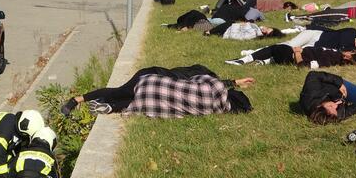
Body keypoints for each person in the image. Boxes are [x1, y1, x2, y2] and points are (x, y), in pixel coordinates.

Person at [60, 65, 254, 116]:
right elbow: (218, 86)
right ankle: (80, 100)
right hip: (151, 77)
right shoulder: (207, 87)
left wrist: (235, 81)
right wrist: (234, 82)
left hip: (153, 77)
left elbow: (216, 84)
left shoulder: (203, 80)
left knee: (126, 95)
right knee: (126, 96)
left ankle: (92, 103)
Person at [225, 27, 356, 65]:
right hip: (315, 35)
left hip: (314, 47)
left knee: (288, 50)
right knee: (289, 44)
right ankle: (253, 52)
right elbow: (343, 44)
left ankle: (256, 55)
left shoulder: (349, 49)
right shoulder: (352, 33)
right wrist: (353, 50)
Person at [285, 3, 356, 24]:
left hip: (347, 14)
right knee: (323, 14)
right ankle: (298, 17)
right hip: (347, 12)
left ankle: (293, 17)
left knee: (321, 15)